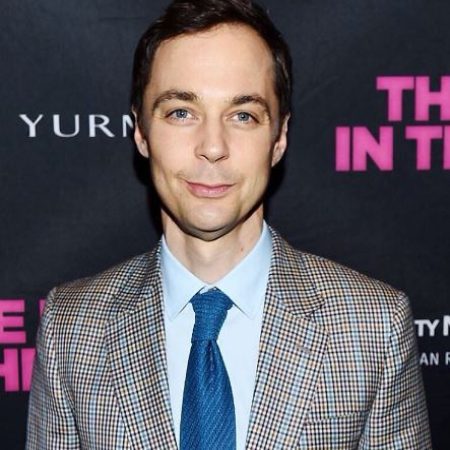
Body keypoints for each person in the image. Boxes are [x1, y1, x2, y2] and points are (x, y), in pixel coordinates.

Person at [26, 0, 432, 448]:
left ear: (279, 138)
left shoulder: (372, 326)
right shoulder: (72, 327)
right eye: (181, 112)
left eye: (243, 115)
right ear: (140, 131)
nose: (213, 146)